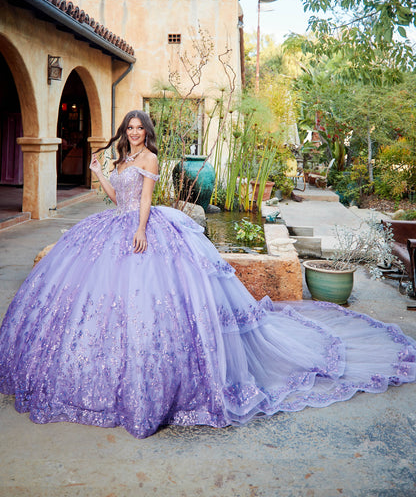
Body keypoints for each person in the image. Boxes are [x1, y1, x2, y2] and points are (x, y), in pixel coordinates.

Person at [0, 110, 415, 440]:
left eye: (139, 128)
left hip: (143, 227)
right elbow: (116, 197)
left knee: (155, 298)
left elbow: (145, 199)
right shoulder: (124, 158)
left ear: (147, 132)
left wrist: (142, 231)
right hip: (114, 225)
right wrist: (99, 173)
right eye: (129, 128)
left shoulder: (150, 159)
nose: (134, 133)